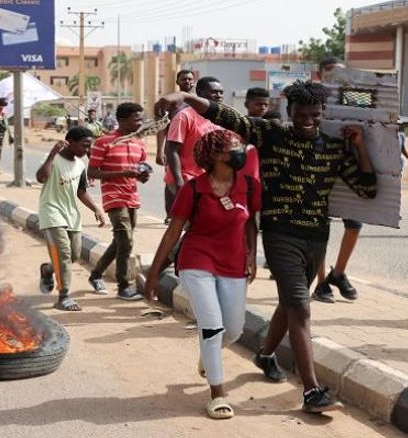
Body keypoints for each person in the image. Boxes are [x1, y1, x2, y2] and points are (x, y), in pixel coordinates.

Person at [154, 80, 377, 413]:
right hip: (279, 235)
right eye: (301, 114)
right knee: (300, 307)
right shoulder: (272, 136)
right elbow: (227, 117)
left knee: (290, 302)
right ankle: (312, 390)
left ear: (321, 114)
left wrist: (359, 148)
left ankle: (266, 353)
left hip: (316, 237)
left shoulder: (334, 147)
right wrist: (186, 97)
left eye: (314, 114)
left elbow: (367, 189)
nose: (307, 120)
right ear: (290, 113)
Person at [145, 129, 260, 419]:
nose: (239, 151)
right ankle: (218, 394)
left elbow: (250, 224)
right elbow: (173, 232)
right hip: (197, 260)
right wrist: (153, 273)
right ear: (214, 156)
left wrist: (251, 254)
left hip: (233, 262)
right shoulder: (193, 188)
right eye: (232, 148)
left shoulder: (248, 185)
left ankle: (208, 354)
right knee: (211, 324)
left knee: (232, 330)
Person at [86, 102, 151, 301]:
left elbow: (141, 168)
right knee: (126, 241)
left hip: (132, 196)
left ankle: (96, 274)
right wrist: (124, 172)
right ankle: (124, 286)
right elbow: (92, 172)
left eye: (141, 118)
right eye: (136, 119)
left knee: (119, 242)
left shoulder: (139, 142)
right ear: (122, 120)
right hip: (113, 196)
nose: (140, 123)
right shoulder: (104, 142)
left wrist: (143, 175)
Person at [37, 127, 107, 311]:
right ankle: (64, 296)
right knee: (63, 254)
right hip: (51, 213)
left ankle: (47, 270)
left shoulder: (80, 166)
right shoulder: (53, 160)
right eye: (84, 145)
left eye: (89, 146)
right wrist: (53, 153)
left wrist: (96, 208)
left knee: (74, 255)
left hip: (71, 216)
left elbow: (81, 191)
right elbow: (41, 177)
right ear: (70, 142)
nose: (87, 150)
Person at [312, 58, 364, 304]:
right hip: (321, 168)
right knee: (321, 228)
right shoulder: (312, 99)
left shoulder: (357, 98)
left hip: (349, 167)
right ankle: (321, 283)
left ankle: (339, 273)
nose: (338, 78)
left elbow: (380, 119)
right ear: (321, 75)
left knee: (354, 225)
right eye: (332, 74)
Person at [163, 76, 224, 221]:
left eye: (221, 92)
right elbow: (171, 150)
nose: (219, 96)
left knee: (202, 224)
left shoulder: (221, 119)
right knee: (196, 222)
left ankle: (179, 244)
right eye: (214, 92)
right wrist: (179, 181)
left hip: (208, 180)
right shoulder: (184, 116)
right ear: (200, 94)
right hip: (186, 179)